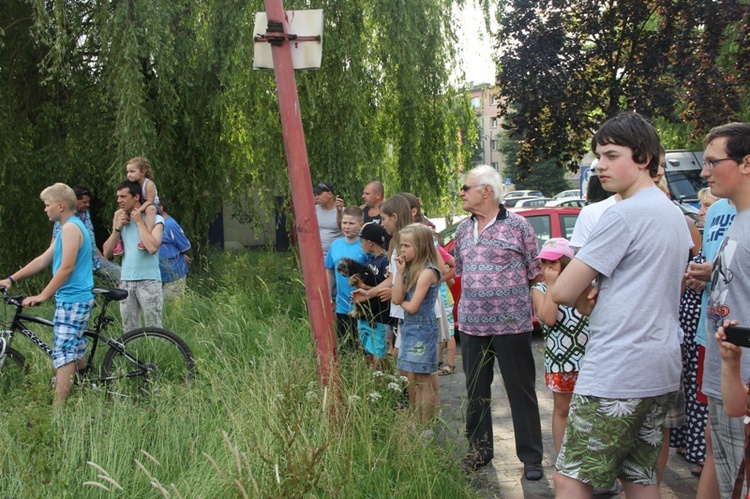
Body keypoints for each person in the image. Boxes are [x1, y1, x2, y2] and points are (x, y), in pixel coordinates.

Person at [550, 112, 691, 497]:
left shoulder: (623, 214)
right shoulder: (673, 214)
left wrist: (582, 292)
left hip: (618, 367)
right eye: (599, 155)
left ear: (644, 158)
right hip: (660, 365)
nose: (600, 165)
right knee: (640, 476)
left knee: (570, 479)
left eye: (612, 155)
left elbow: (562, 291)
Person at [453, 165, 544, 481]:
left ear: (486, 190)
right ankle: (479, 453)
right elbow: (462, 270)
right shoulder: (462, 230)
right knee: (476, 391)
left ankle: (532, 458)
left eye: (466, 187)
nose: (462, 193)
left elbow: (535, 272)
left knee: (521, 391)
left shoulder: (519, 226)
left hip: (512, 326)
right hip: (472, 326)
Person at [694, 122, 750, 499]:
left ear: (747, 163)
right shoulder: (736, 218)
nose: (704, 171)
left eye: (714, 161)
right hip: (726, 377)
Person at [0, 183, 94, 405]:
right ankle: (90, 388)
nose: (45, 209)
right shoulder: (67, 228)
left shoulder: (71, 228)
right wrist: (11, 279)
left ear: (60, 206)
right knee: (74, 351)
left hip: (73, 299)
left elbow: (67, 267)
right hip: (72, 298)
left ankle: (57, 414)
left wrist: (42, 295)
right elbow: (42, 260)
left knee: (63, 356)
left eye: (47, 204)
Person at [530, 238, 589, 454]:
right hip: (561, 362)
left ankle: (587, 458)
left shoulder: (583, 285)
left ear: (566, 263)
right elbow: (548, 318)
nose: (547, 268)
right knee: (563, 409)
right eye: (544, 262)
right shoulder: (540, 289)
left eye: (553, 263)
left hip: (588, 360)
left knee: (588, 411)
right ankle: (564, 458)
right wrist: (553, 287)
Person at [391, 223, 442, 430]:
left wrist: (402, 301)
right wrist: (399, 273)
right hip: (410, 327)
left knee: (423, 380)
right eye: (401, 245)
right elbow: (396, 298)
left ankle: (426, 427)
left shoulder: (428, 272)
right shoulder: (410, 269)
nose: (402, 250)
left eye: (406, 246)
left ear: (420, 246)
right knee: (412, 379)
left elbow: (411, 306)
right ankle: (418, 422)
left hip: (423, 329)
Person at [102, 180, 165, 333]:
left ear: (136, 196)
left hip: (149, 281)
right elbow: (106, 252)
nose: (119, 201)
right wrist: (117, 229)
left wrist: (139, 223)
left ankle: (155, 357)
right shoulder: (120, 219)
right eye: (118, 197)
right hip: (126, 281)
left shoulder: (155, 218)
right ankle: (132, 356)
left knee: (154, 329)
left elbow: (152, 247)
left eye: (123, 196)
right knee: (129, 330)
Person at [51, 184, 121, 286]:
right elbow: (55, 244)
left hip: (96, 262)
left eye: (88, 202)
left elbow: (90, 239)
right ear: (74, 201)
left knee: (123, 276)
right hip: (81, 265)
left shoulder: (86, 213)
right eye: (84, 202)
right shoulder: (64, 219)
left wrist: (102, 257)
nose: (87, 204)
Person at [324, 205, 367, 353]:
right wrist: (329, 296)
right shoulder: (335, 245)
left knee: (365, 347)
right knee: (346, 347)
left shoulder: (365, 245)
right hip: (342, 305)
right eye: (344, 223)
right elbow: (329, 270)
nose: (346, 227)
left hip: (363, 305)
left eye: (351, 223)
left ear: (361, 224)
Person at [353, 222, 392, 369]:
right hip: (369, 315)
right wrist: (362, 287)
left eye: (362, 241)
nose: (360, 244)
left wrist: (366, 290)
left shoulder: (386, 261)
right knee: (370, 352)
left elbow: (386, 286)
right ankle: (383, 382)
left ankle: (386, 384)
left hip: (382, 316)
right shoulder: (370, 261)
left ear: (370, 243)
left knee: (379, 355)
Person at [126, 157, 161, 250]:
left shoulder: (149, 184)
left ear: (142, 172)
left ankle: (147, 236)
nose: (129, 175)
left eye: (132, 171)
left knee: (150, 209)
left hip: (152, 205)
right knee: (121, 211)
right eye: (128, 172)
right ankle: (119, 240)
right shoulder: (132, 184)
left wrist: (139, 210)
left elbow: (150, 200)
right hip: (141, 204)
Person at [158, 199, 191, 299]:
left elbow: (185, 246)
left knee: (170, 307)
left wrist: (180, 254)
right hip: (159, 275)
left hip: (174, 273)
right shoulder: (153, 224)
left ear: (161, 208)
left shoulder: (170, 224)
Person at [313, 182, 343, 257]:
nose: (316, 197)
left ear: (329, 194)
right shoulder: (313, 210)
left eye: (319, 194)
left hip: (335, 255)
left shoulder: (342, 211)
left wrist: (339, 212)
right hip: (316, 255)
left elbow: (344, 228)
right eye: (315, 195)